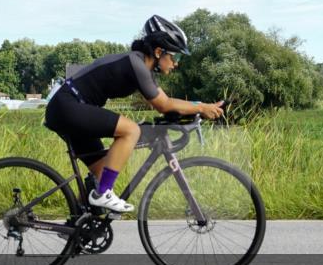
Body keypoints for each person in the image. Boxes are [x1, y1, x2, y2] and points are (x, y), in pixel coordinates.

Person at [44, 15, 225, 213]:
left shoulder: (140, 66)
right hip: (68, 105)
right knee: (131, 130)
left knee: (102, 170)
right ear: (158, 52)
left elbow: (164, 101)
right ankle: (102, 194)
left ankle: (80, 226)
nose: (176, 63)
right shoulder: (136, 64)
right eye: (176, 57)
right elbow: (164, 105)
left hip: (71, 107)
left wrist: (199, 105)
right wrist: (201, 107)